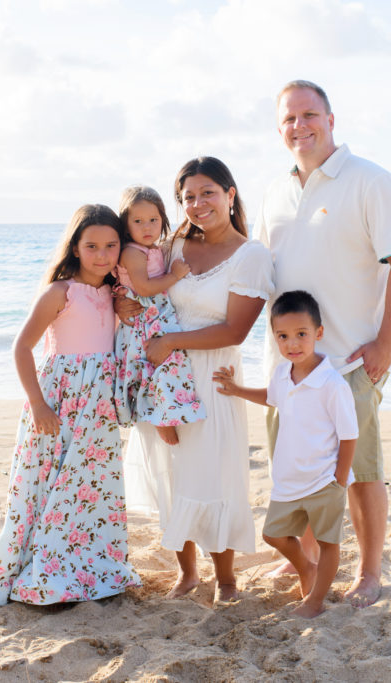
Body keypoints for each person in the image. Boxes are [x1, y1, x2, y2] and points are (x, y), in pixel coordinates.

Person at [255, 80, 391, 608]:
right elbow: (256, 269)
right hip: (287, 367)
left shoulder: (371, 182)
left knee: (358, 473)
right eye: (288, 119)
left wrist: (385, 344)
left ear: (331, 119)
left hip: (349, 362)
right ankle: (307, 562)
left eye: (309, 115)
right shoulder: (275, 193)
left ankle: (369, 574)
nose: (299, 126)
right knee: (300, 471)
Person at [122, 157, 274, 603]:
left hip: (214, 378)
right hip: (163, 378)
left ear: (230, 194)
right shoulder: (171, 247)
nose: (198, 203)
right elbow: (141, 294)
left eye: (207, 192)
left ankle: (226, 581)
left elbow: (236, 330)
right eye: (188, 196)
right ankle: (187, 574)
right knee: (173, 474)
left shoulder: (252, 255)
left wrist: (171, 341)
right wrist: (121, 306)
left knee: (215, 476)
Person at [0, 204, 141, 606]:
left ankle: (87, 565)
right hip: (58, 401)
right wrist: (38, 404)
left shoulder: (114, 292)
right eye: (92, 246)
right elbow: (22, 347)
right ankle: (43, 568)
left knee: (89, 488)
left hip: (98, 407)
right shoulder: (59, 292)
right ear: (76, 248)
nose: (102, 254)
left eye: (111, 245)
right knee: (48, 483)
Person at [213, 290, 357, 618]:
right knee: (273, 533)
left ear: (318, 334)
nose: (293, 344)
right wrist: (236, 390)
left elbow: (350, 436)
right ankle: (306, 569)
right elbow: (272, 397)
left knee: (328, 543)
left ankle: (316, 601)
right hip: (289, 480)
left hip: (324, 480)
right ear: (275, 338)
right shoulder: (281, 372)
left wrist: (339, 479)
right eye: (283, 336)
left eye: (301, 335)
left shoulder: (332, 384)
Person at [114, 185, 206, 445]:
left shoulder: (153, 248)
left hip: (154, 313)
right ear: (126, 225)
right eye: (138, 221)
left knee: (161, 366)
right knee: (160, 365)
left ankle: (164, 413)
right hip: (145, 316)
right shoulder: (132, 252)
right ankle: (162, 419)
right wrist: (174, 276)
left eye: (153, 220)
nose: (147, 227)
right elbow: (143, 287)